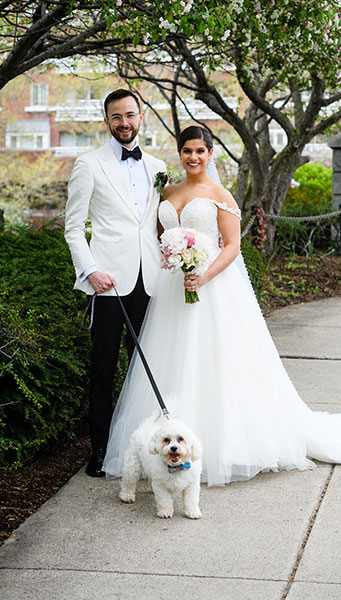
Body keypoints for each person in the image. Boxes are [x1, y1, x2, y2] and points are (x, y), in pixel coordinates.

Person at [103, 125, 341, 487]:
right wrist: (172, 259)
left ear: (211, 154)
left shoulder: (220, 194)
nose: (193, 157)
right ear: (179, 154)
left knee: (215, 360)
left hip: (210, 287)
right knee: (173, 355)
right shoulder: (167, 191)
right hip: (172, 288)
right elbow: (156, 235)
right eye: (187, 151)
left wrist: (204, 276)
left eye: (200, 151)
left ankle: (219, 446)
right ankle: (163, 446)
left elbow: (231, 246)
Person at [65, 89, 167, 477]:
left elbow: (157, 223)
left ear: (141, 116)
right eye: (116, 117)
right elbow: (73, 228)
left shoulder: (157, 165)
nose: (124, 123)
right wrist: (90, 270)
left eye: (130, 115)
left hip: (152, 282)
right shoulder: (88, 163)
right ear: (106, 121)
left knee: (147, 369)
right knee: (103, 369)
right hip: (108, 282)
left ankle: (150, 449)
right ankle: (101, 451)